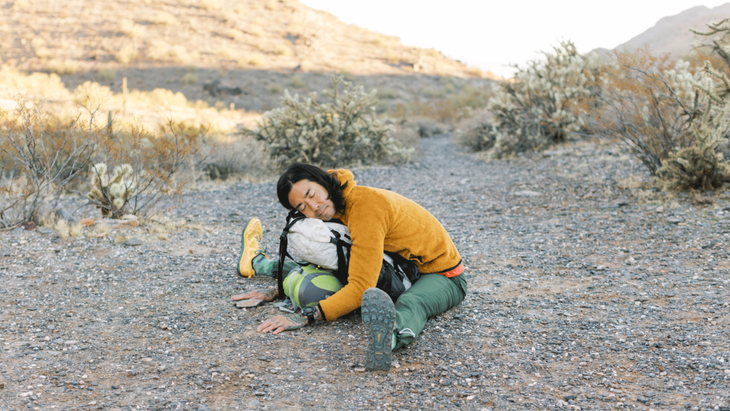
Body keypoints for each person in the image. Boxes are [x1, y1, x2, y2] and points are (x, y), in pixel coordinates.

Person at [232, 163, 467, 370]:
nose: (314, 208)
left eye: (312, 194)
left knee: (411, 302)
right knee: (332, 260)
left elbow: (360, 287)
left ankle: (388, 339)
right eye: (302, 207)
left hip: (443, 276)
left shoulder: (365, 207)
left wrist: (308, 316)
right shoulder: (338, 205)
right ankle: (257, 263)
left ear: (323, 181)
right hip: (403, 267)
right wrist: (280, 290)